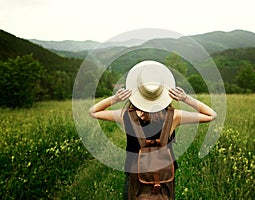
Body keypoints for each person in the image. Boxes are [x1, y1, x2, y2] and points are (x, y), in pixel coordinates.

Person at [89, 60, 217, 199]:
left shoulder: (125, 116)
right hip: (165, 176)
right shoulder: (174, 116)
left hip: (134, 174)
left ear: (137, 93)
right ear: (161, 93)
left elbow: (93, 112)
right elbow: (211, 115)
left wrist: (114, 99)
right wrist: (186, 98)